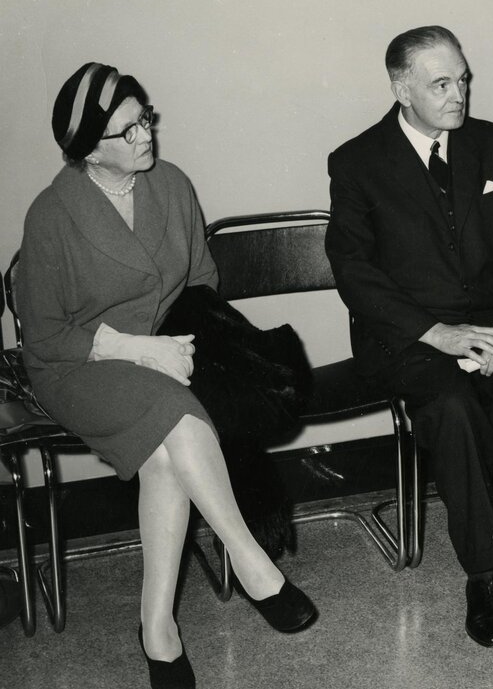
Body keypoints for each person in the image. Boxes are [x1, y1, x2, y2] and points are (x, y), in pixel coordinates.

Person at [17, 63, 317, 689]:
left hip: (165, 351)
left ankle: (158, 628)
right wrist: (139, 349)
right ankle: (251, 558)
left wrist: (188, 342)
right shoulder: (51, 216)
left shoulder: (171, 184)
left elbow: (200, 280)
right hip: (81, 364)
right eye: (127, 132)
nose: (145, 136)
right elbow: (44, 336)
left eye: (145, 119)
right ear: (87, 151)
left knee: (163, 460)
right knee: (179, 416)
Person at [326, 26, 493, 648]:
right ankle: (483, 576)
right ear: (400, 88)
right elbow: (355, 274)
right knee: (453, 408)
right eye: (440, 84)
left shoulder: (492, 144)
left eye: (463, 79)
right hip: (408, 337)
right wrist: (439, 335)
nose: (459, 94)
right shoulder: (356, 162)